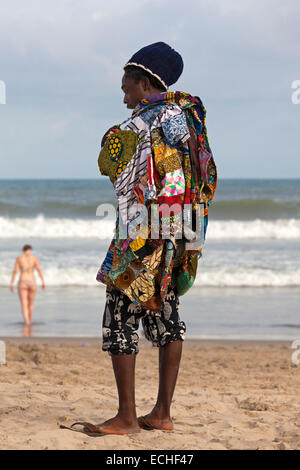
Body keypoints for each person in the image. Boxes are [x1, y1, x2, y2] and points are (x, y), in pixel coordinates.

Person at [72, 42, 217, 435]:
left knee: (119, 316)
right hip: (177, 232)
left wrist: (151, 235)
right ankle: (162, 414)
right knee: (165, 314)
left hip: (146, 234)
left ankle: (126, 418)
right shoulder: (187, 118)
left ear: (143, 80)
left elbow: (117, 163)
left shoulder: (155, 119)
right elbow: (191, 180)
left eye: (125, 87)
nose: (123, 96)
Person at [10, 244, 46, 325]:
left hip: (22, 281)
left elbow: (15, 271)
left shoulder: (19, 258)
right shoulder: (34, 258)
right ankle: (30, 319)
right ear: (30, 250)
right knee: (31, 303)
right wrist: (43, 282)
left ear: (23, 250)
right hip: (32, 281)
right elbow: (39, 270)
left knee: (24, 304)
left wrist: (11, 283)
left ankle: (27, 322)